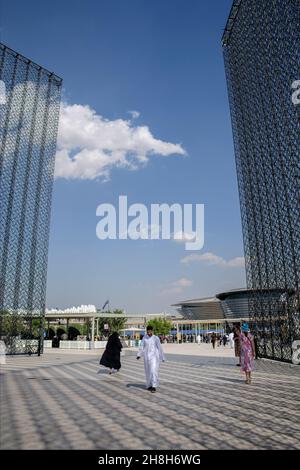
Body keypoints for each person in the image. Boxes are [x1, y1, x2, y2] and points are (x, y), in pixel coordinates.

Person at [137, 325, 165, 393]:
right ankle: (149, 385)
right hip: (146, 357)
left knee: (153, 371)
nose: (149, 333)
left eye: (150, 331)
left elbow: (159, 348)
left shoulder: (156, 338)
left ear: (152, 331)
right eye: (148, 332)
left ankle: (154, 386)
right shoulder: (144, 338)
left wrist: (162, 357)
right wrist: (139, 354)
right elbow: (141, 346)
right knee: (148, 372)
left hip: (154, 357)